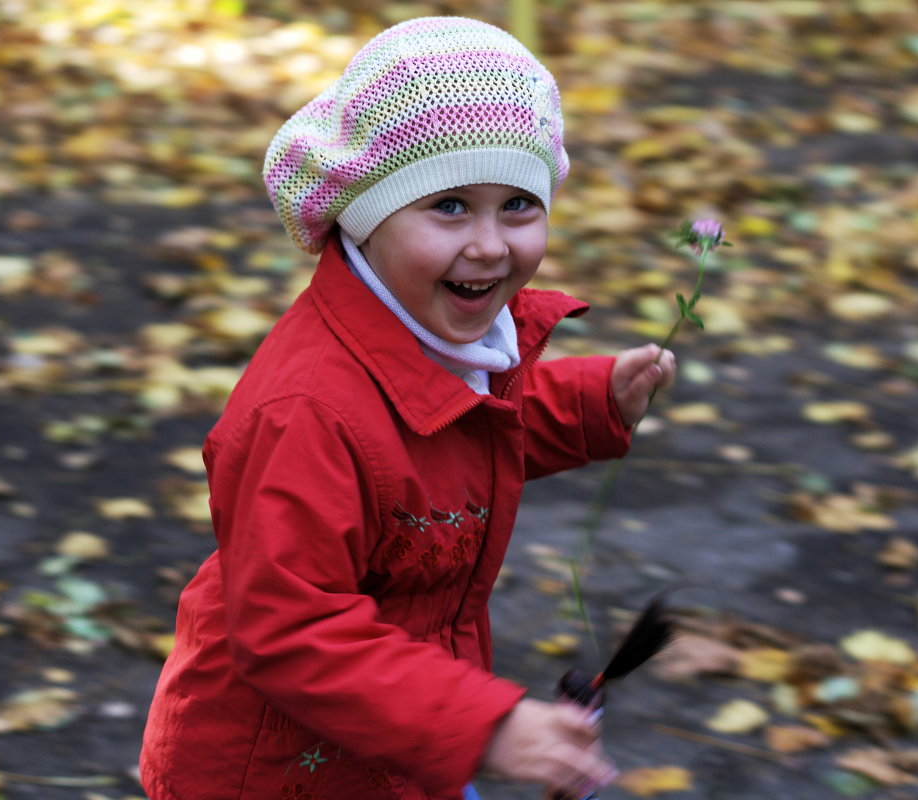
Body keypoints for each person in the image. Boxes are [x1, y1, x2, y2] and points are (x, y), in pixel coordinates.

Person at [139, 15, 676, 800]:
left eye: (518, 205)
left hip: (407, 739)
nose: (491, 245)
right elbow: (293, 628)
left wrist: (593, 401)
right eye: (450, 206)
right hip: (278, 775)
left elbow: (452, 430)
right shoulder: (305, 412)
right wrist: (484, 727)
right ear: (364, 213)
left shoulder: (441, 333)